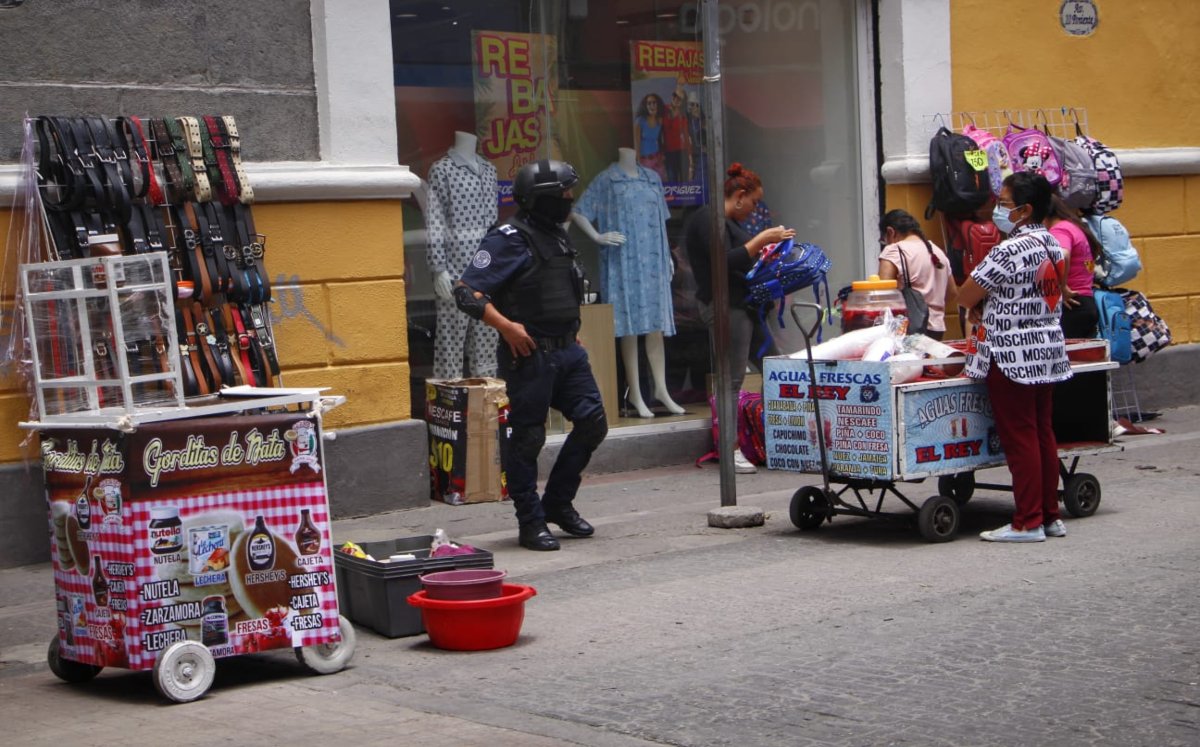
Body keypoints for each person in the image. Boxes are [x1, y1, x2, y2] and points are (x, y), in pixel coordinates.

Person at [454, 159, 607, 552]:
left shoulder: (555, 234)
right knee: (528, 439)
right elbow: (466, 292)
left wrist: (573, 334)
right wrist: (506, 327)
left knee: (593, 423)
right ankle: (531, 522)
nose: (569, 199)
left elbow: (559, 289)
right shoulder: (508, 237)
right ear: (542, 199)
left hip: (568, 350)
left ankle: (557, 503)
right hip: (530, 355)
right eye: (564, 194)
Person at [957, 172, 1073, 543]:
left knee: (1020, 437)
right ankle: (1050, 515)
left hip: (1010, 354)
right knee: (1042, 433)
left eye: (1004, 204)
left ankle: (1027, 521)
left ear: (1024, 210)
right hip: (1047, 349)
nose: (997, 210)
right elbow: (1048, 293)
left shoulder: (1009, 250)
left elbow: (965, 295)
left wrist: (979, 307)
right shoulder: (1054, 245)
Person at [683, 162, 794, 474]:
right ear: (740, 195)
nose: (755, 209)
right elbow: (723, 262)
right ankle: (730, 448)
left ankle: (786, 438)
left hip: (744, 306)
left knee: (775, 367)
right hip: (725, 307)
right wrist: (761, 240)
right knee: (731, 381)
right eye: (755, 202)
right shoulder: (708, 219)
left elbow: (743, 262)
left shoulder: (728, 223)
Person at [571, 147, 686, 419]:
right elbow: (578, 211)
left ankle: (661, 389)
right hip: (623, 260)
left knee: (655, 325)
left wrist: (667, 255)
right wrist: (597, 236)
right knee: (630, 327)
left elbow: (661, 220)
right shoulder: (607, 179)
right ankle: (635, 391)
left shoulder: (652, 178)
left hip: (654, 259)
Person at [425, 130, 500, 378]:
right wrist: (438, 268)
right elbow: (434, 220)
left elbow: (493, 222)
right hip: (455, 267)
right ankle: (449, 407)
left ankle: (487, 405)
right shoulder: (442, 170)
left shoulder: (489, 169)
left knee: (487, 337)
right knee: (451, 338)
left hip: (487, 268)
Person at [877, 209, 957, 340]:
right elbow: (952, 292)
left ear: (891, 232)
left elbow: (882, 295)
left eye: (884, 240)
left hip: (908, 329)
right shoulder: (938, 252)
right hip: (937, 330)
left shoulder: (894, 250)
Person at [1046, 194, 1101, 338]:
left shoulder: (1059, 230)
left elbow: (1062, 255)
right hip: (1085, 302)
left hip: (1070, 305)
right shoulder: (1073, 226)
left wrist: (1062, 287)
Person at [662, 86, 691, 184]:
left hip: (682, 152)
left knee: (684, 181)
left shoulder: (683, 116)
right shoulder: (664, 110)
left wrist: (690, 157)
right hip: (668, 153)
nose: (676, 99)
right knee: (672, 181)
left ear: (683, 102)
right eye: (675, 95)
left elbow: (686, 136)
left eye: (679, 98)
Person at [633, 93, 666, 180]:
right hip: (644, 161)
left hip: (657, 159)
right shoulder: (640, 121)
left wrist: (661, 157)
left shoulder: (660, 120)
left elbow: (661, 139)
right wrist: (638, 163)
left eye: (654, 103)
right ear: (645, 106)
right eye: (649, 103)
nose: (652, 105)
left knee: (661, 185)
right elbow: (637, 143)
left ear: (657, 104)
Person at [686, 91, 705, 184]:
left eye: (697, 105)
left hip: (702, 153)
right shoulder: (687, 121)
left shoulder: (703, 120)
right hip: (691, 154)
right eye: (693, 105)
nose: (695, 107)